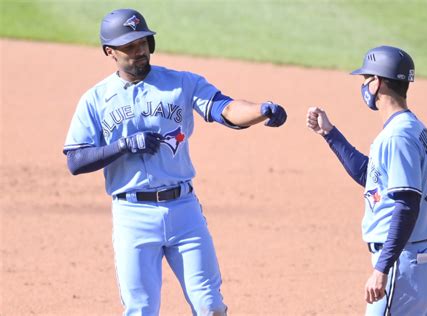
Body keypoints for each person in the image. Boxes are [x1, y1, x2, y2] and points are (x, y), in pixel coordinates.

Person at [63, 8, 287, 316]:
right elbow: (76, 159)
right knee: (141, 309)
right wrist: (124, 146)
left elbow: (226, 108)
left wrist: (262, 109)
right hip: (133, 215)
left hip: (184, 212)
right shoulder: (95, 100)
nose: (139, 50)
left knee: (210, 306)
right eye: (129, 46)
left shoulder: (182, 83)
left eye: (143, 42)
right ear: (109, 52)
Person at [306, 46, 427, 315]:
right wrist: (329, 133)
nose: (363, 85)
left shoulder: (397, 137)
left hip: (407, 265)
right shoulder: (414, 128)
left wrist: (381, 268)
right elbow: (371, 177)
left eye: (365, 79)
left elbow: (407, 205)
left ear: (377, 82)